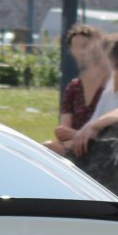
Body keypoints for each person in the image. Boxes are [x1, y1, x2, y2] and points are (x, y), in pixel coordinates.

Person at [45, 23, 107, 156]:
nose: (80, 52)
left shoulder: (108, 86)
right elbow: (64, 131)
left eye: (85, 47)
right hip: (74, 145)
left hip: (102, 147)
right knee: (46, 148)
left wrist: (77, 135)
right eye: (75, 47)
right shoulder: (74, 88)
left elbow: (110, 132)